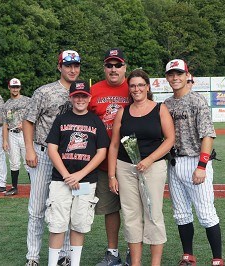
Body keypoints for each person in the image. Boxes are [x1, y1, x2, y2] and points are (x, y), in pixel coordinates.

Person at [108, 69, 175, 266]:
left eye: (140, 85)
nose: (136, 89)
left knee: (153, 213)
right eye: (133, 86)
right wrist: (112, 175)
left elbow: (170, 139)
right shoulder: (123, 112)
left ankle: (155, 263)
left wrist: (150, 159)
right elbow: (114, 145)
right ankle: (135, 263)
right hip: (125, 167)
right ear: (129, 89)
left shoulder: (159, 109)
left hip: (152, 167)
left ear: (147, 87)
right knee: (131, 216)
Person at [163, 59, 224, 266]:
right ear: (166, 78)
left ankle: (217, 259)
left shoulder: (197, 101)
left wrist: (202, 166)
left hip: (195, 161)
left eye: (179, 73)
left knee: (206, 213)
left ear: (187, 75)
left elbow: (208, 135)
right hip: (174, 163)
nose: (175, 77)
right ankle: (188, 255)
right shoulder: (166, 104)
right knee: (181, 214)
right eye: (171, 74)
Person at [23, 50, 81, 266]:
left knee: (65, 207)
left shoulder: (82, 92)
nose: (72, 69)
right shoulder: (44, 92)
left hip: (69, 157)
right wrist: (29, 149)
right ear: (60, 67)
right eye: (68, 65)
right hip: (43, 153)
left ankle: (64, 255)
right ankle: (33, 257)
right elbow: (28, 121)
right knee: (37, 208)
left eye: (76, 65)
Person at [46, 80, 109, 266]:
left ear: (89, 98)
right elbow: (52, 149)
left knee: (79, 223)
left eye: (83, 96)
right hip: (61, 180)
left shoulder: (95, 121)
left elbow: (101, 152)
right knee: (57, 224)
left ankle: (75, 263)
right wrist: (67, 175)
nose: (80, 99)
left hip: (85, 182)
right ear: (70, 98)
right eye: (76, 96)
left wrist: (79, 175)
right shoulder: (61, 119)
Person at [89, 48, 130, 266]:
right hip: (104, 164)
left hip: (132, 162)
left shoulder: (134, 87)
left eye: (118, 65)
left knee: (134, 210)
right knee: (110, 209)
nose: (113, 69)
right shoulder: (93, 90)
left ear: (125, 67)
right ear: (104, 68)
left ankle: (134, 252)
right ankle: (112, 253)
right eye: (109, 65)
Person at [2, 78, 31, 196]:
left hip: (25, 135)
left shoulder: (28, 101)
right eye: (13, 87)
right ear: (9, 87)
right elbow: (4, 124)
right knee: (14, 162)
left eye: (17, 87)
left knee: (28, 161)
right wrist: (4, 140)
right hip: (12, 134)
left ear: (20, 87)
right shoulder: (6, 104)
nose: (15, 89)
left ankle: (34, 187)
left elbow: (34, 117)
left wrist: (25, 124)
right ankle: (14, 187)